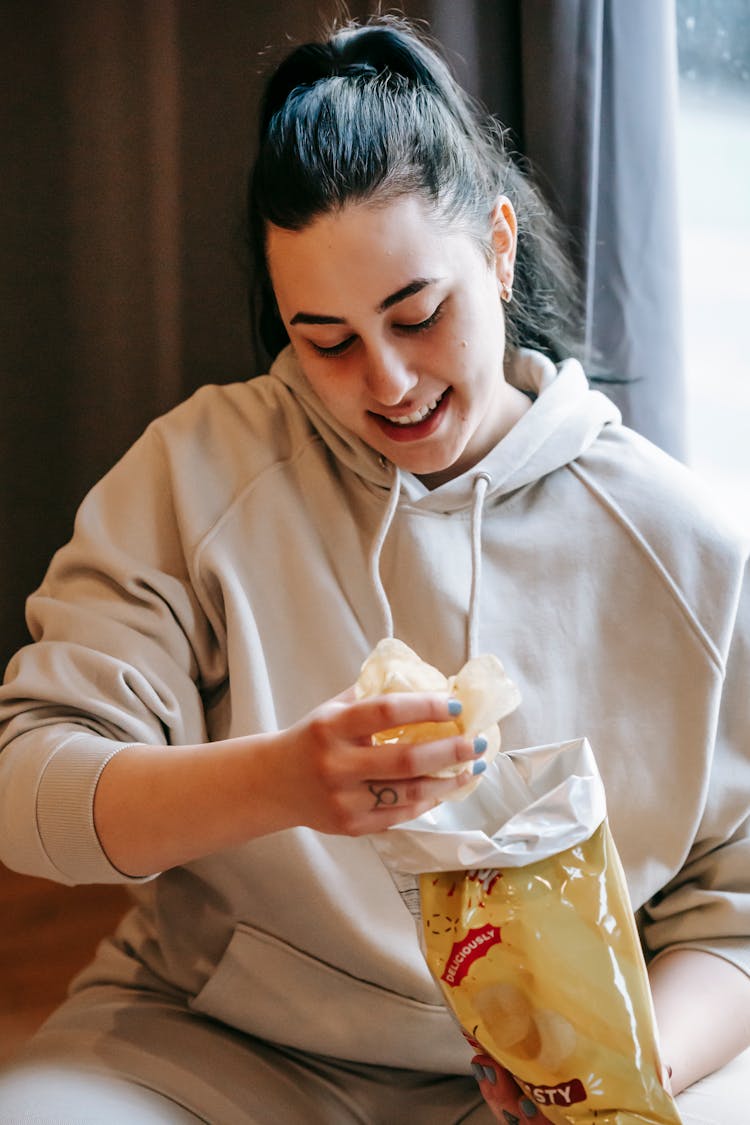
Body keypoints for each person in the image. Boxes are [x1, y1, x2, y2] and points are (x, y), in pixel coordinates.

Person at [0, 14, 749, 1124]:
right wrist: (287, 780)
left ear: (497, 248)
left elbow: (735, 909)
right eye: (327, 339)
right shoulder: (201, 470)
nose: (388, 382)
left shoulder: (684, 548)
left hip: (548, 1077)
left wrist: (610, 1071)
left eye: (417, 314)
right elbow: (29, 795)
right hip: (210, 1044)